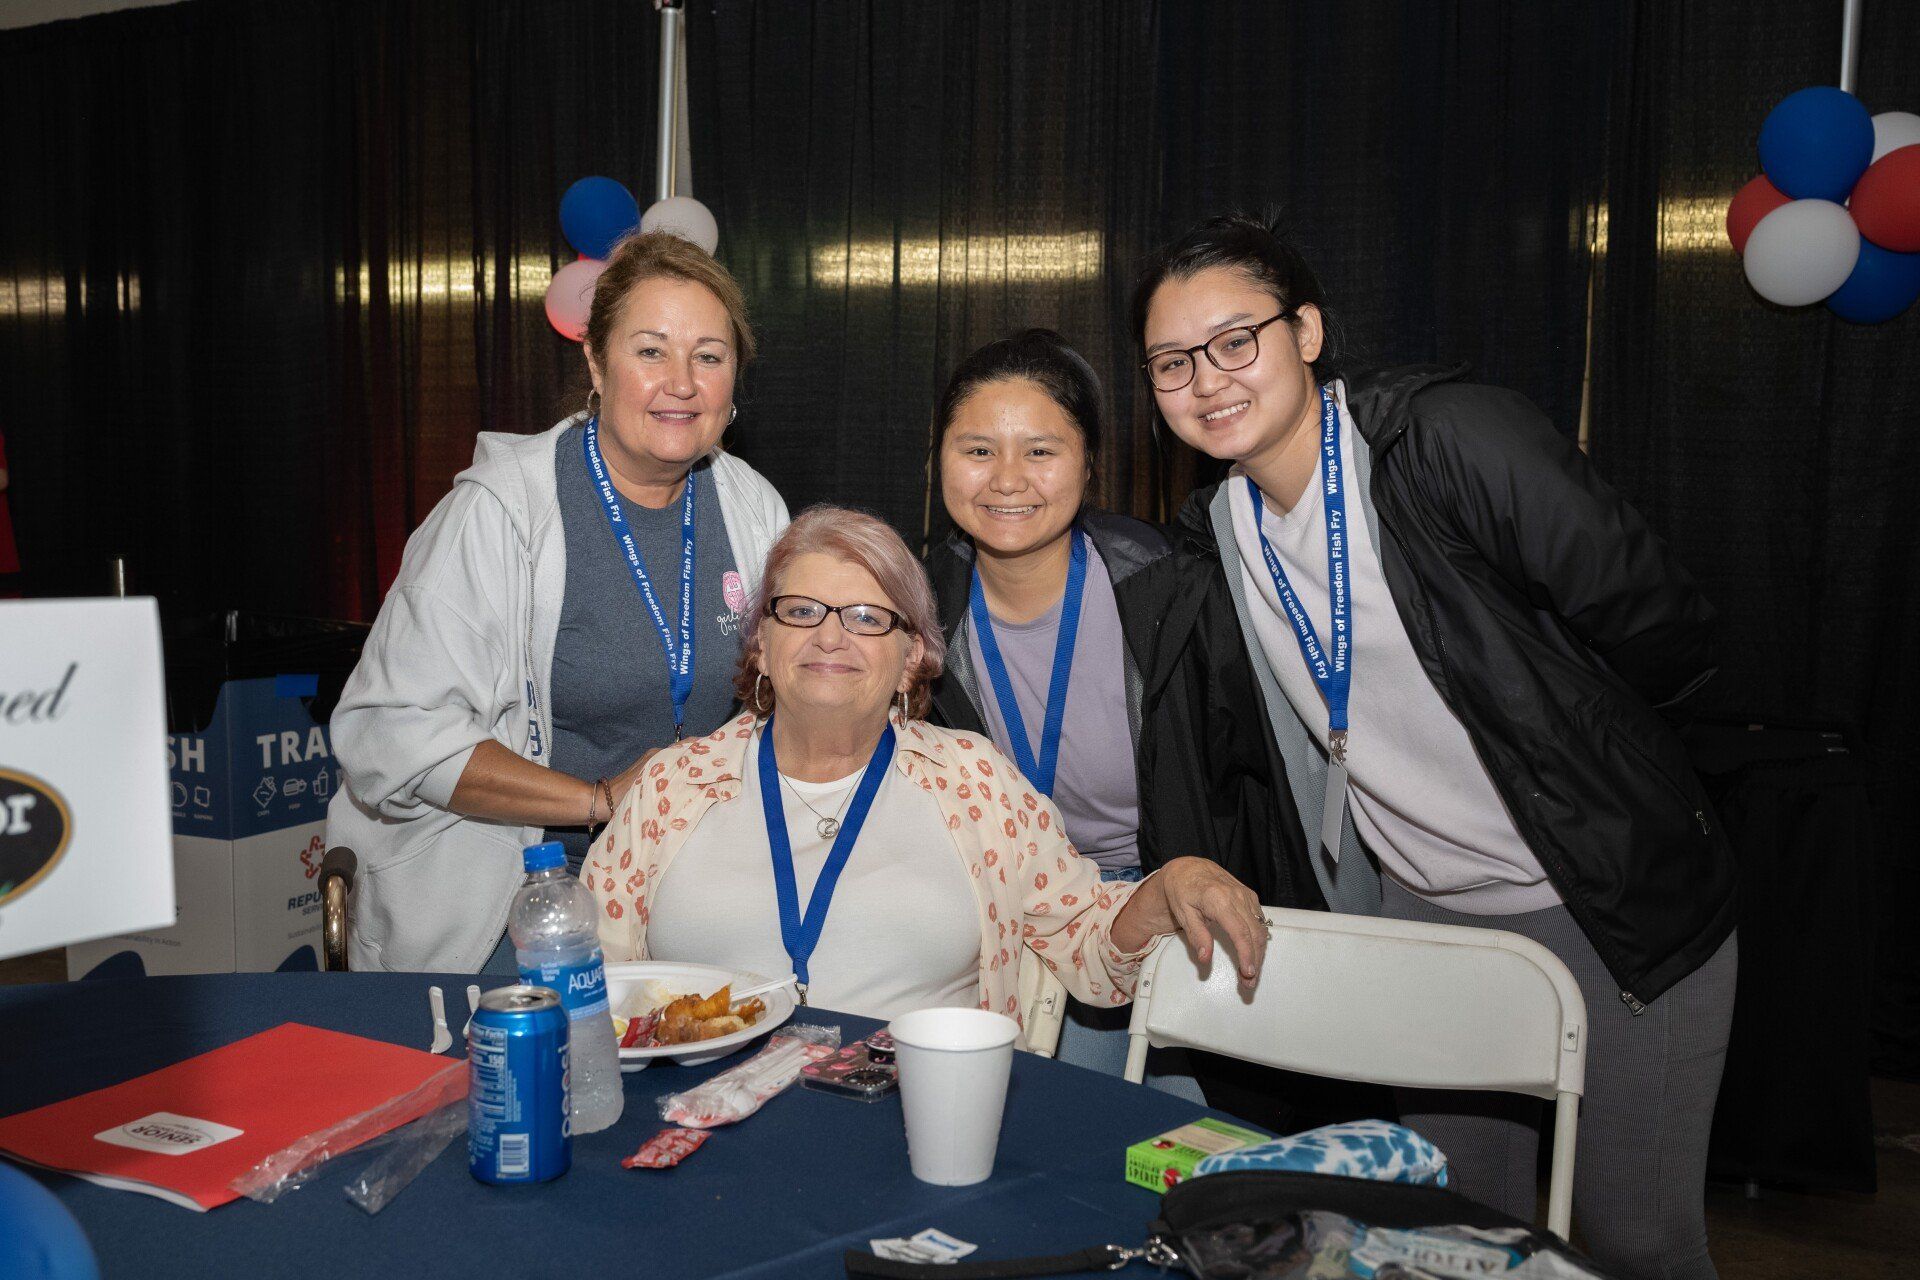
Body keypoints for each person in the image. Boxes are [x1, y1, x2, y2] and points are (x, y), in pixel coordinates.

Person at [1133, 212, 1737, 1280]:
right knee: (1464, 1230)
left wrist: (1595, 766)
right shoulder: (1221, 533)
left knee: (1639, 1235)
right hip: (1430, 916)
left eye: (1238, 339)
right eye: (1174, 359)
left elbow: (1663, 625)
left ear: (1307, 330)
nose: (1207, 379)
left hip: (1608, 904)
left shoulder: (1445, 440)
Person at [582, 505, 1270, 1030]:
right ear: (761, 642)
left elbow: (1089, 949)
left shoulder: (975, 782)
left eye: (865, 617)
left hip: (915, 1129)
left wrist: (1170, 882)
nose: (830, 636)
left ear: (912, 655)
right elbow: (588, 991)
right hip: (697, 1130)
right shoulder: (672, 787)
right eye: (800, 611)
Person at [328, 232, 790, 973]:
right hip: (522, 902)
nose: (682, 382)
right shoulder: (499, 514)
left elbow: (782, 697)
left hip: (696, 894)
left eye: (709, 355)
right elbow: (389, 733)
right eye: (650, 351)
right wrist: (600, 799)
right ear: (595, 365)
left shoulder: (753, 508)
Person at [924, 329, 1326, 1098]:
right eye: (978, 450)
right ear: (939, 459)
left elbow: (1256, 789)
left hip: (1161, 902)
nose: (1008, 480)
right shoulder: (914, 611)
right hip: (1004, 915)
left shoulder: (1170, 594)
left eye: (1040, 451)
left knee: (1154, 1139)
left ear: (1088, 464)